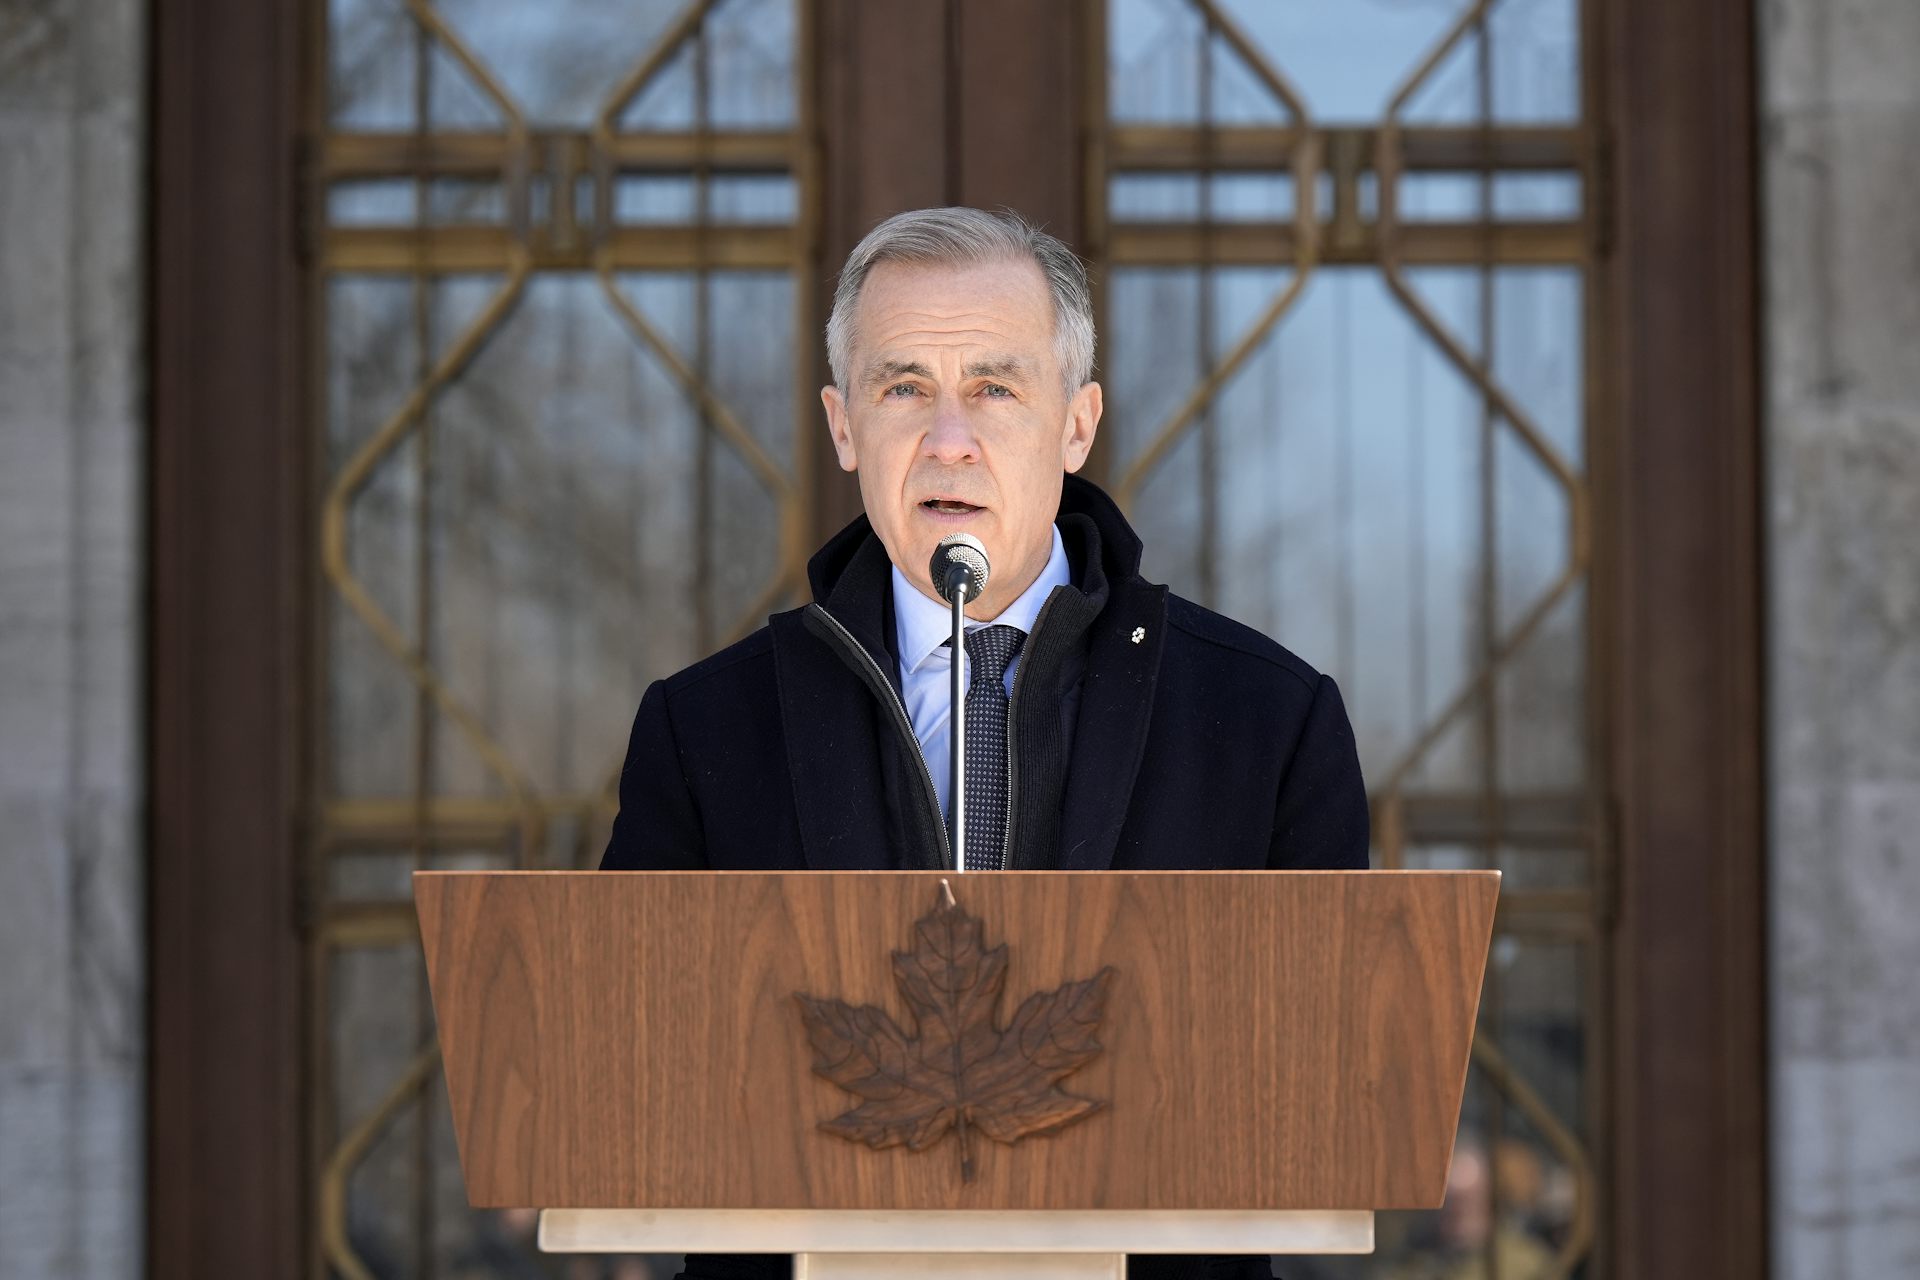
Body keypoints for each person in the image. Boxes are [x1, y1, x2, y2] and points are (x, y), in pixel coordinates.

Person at [602, 206, 1371, 1280]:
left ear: (1077, 423)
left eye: (996, 389)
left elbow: (1326, 1103)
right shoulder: (707, 730)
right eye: (903, 386)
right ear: (841, 425)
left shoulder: (1263, 722)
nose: (947, 437)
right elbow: (632, 1103)